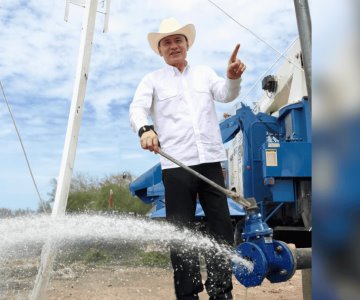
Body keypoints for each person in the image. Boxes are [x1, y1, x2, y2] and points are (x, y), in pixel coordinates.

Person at [129, 17, 246, 300]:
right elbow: (137, 108)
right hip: (176, 166)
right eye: (166, 42)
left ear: (187, 44)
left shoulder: (205, 74)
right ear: (160, 50)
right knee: (181, 235)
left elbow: (226, 94)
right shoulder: (152, 80)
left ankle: (221, 291)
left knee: (221, 228)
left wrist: (232, 77)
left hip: (210, 163)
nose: (173, 46)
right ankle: (188, 294)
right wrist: (145, 129)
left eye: (178, 40)